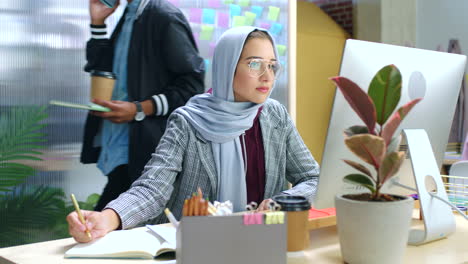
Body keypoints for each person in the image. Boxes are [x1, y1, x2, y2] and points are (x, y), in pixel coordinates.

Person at [68, 26, 319, 243]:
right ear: (227, 66)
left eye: (272, 66)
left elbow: (312, 177)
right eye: (254, 64)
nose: (267, 76)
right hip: (198, 246)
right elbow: (152, 188)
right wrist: (108, 218)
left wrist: (284, 201)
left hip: (262, 241)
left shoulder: (275, 116)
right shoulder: (187, 121)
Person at [81, 0, 205, 211]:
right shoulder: (131, 14)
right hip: (121, 146)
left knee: (103, 226)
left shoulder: (163, 16)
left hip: (145, 152)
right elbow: (102, 68)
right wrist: (98, 23)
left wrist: (139, 109)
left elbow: (192, 87)